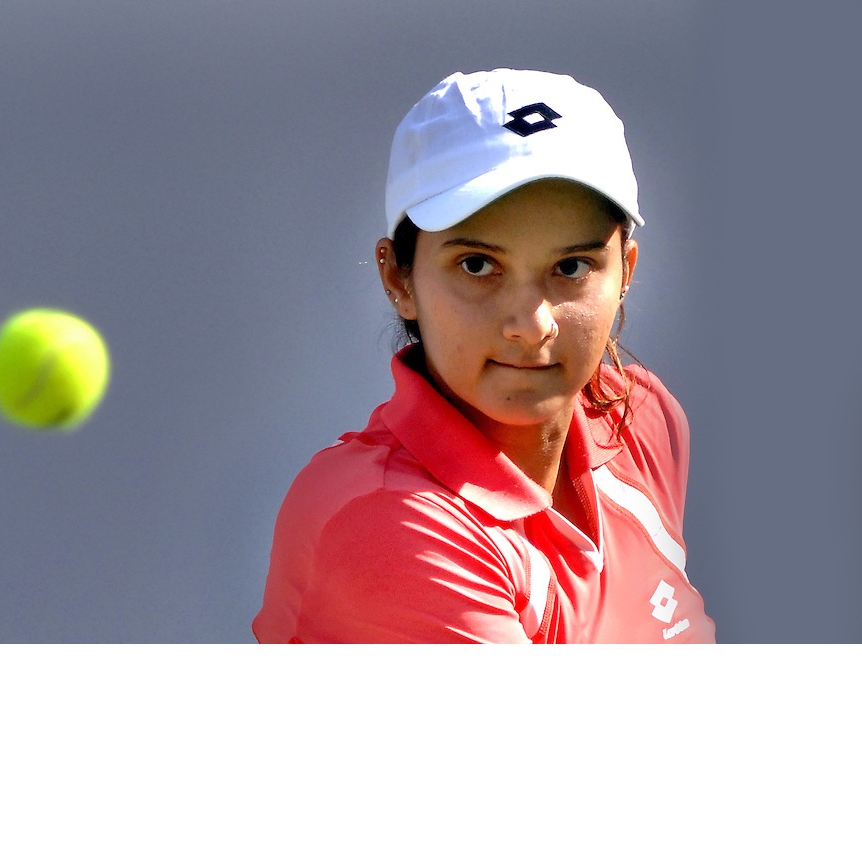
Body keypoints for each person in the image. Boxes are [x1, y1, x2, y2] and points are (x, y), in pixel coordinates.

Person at [252, 68, 715, 643]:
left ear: (626, 272)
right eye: (477, 265)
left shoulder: (640, 416)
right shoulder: (383, 523)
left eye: (571, 267)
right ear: (398, 278)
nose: (532, 326)